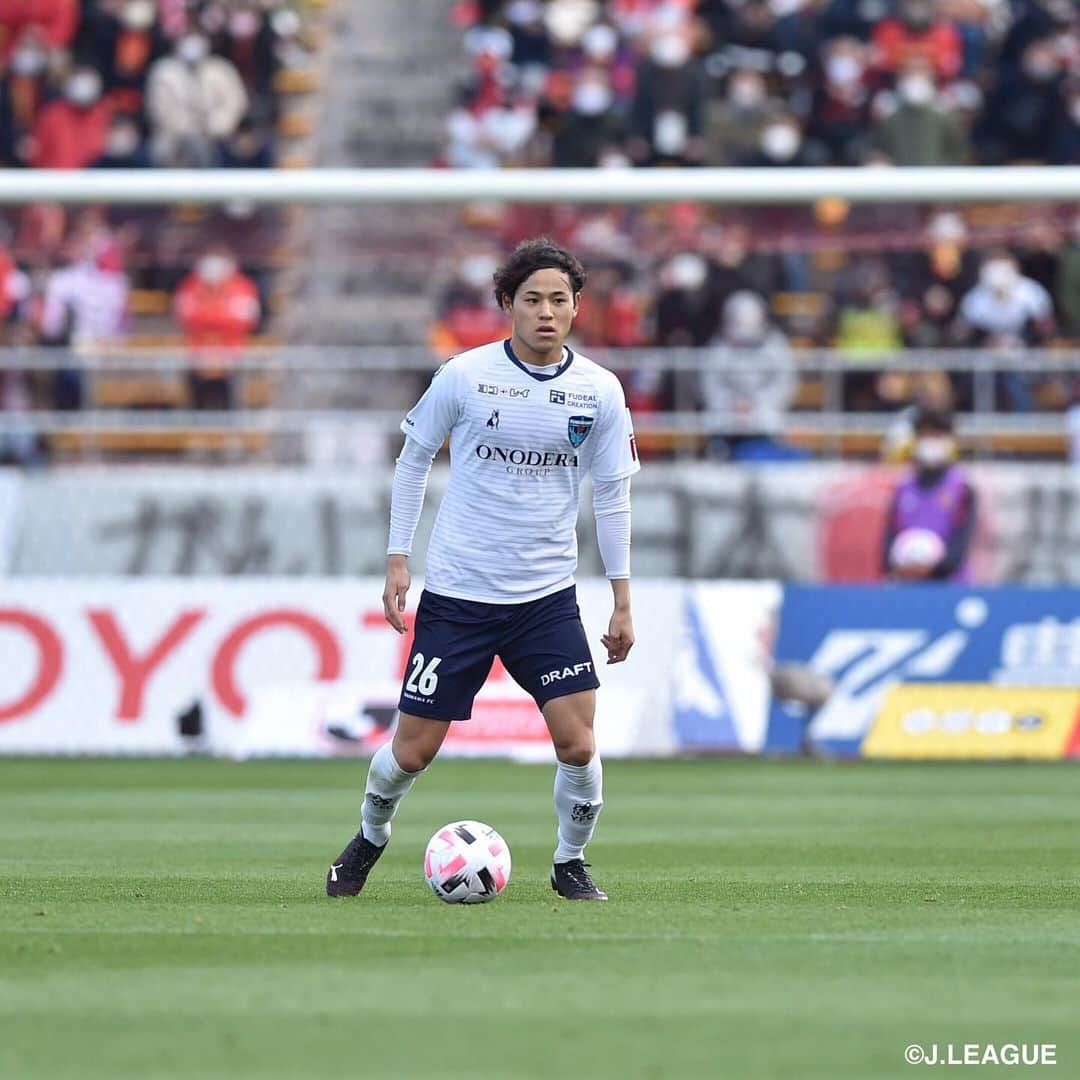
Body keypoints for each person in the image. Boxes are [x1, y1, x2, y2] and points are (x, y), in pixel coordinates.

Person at [326, 237, 640, 903]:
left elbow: (612, 494)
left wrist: (621, 597)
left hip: (546, 600)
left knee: (578, 744)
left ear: (578, 307)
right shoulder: (464, 376)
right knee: (411, 753)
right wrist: (397, 559)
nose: (546, 312)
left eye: (559, 299)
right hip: (460, 596)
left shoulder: (600, 392)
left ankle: (569, 861)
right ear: (507, 305)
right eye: (532, 300)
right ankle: (369, 837)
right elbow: (412, 462)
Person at [881, 406, 977, 582]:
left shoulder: (962, 488)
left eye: (937, 436)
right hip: (907, 586)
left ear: (949, 441)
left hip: (949, 587)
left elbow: (960, 543)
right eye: (926, 435)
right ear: (916, 440)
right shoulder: (902, 488)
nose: (931, 442)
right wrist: (902, 567)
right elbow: (888, 541)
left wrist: (932, 569)